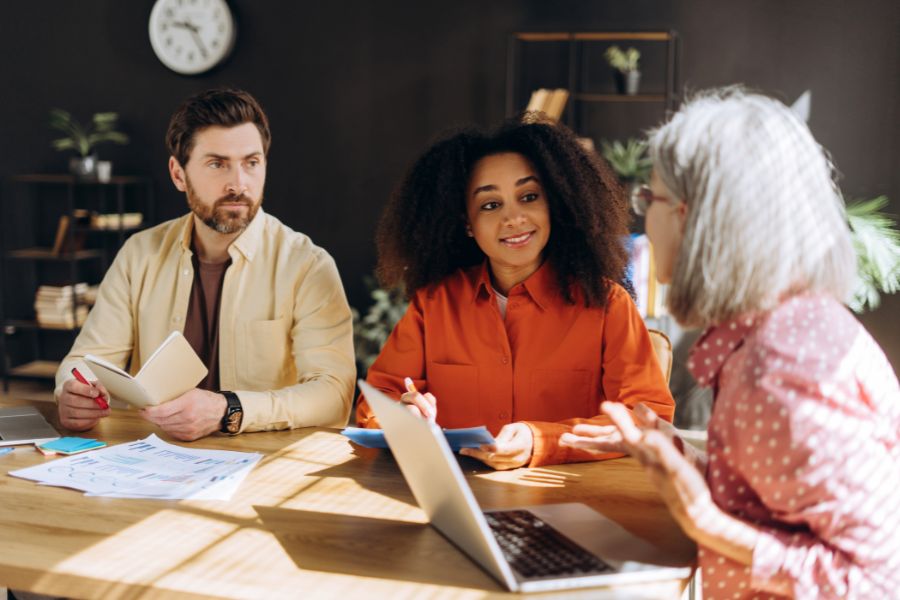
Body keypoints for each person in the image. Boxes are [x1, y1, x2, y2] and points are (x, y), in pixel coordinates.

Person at [562, 88, 900, 599]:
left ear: (690, 216)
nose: (641, 219)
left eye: (648, 198)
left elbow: (876, 582)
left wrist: (704, 521)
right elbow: (772, 505)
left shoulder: (784, 370)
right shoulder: (781, 334)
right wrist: (670, 451)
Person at [356, 116, 675, 470]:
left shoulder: (607, 306)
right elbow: (375, 402)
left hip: (568, 501)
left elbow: (646, 420)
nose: (514, 218)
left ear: (553, 203)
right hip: (457, 498)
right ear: (467, 223)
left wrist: (541, 441)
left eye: (529, 196)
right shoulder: (434, 305)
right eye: (490, 205)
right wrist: (403, 413)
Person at [54, 88, 356, 441]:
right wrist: (73, 392)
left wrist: (229, 409)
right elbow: (86, 360)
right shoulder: (139, 253)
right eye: (217, 164)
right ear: (178, 174)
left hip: (260, 465)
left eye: (251, 162)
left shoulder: (308, 265)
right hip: (148, 460)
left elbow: (334, 396)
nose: (238, 183)